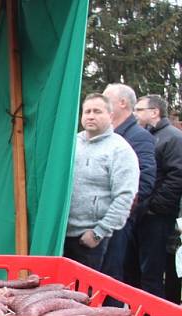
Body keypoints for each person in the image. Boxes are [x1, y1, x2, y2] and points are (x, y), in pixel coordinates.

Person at [65, 94, 138, 270]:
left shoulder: (120, 150)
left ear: (111, 116)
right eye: (87, 111)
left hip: (89, 240)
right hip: (61, 234)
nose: (90, 116)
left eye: (97, 111)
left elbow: (124, 197)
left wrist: (98, 234)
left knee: (85, 294)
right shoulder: (71, 144)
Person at [100, 83, 157, 290]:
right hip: (98, 219)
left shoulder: (139, 137)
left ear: (122, 103)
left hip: (119, 221)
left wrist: (120, 209)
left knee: (113, 276)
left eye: (106, 99)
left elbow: (145, 180)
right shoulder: (104, 136)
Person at [133, 94, 182, 298]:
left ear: (154, 112)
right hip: (142, 214)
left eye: (139, 110)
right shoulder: (145, 136)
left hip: (159, 217)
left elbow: (176, 176)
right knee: (138, 269)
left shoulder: (173, 138)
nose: (134, 114)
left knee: (153, 271)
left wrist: (155, 207)